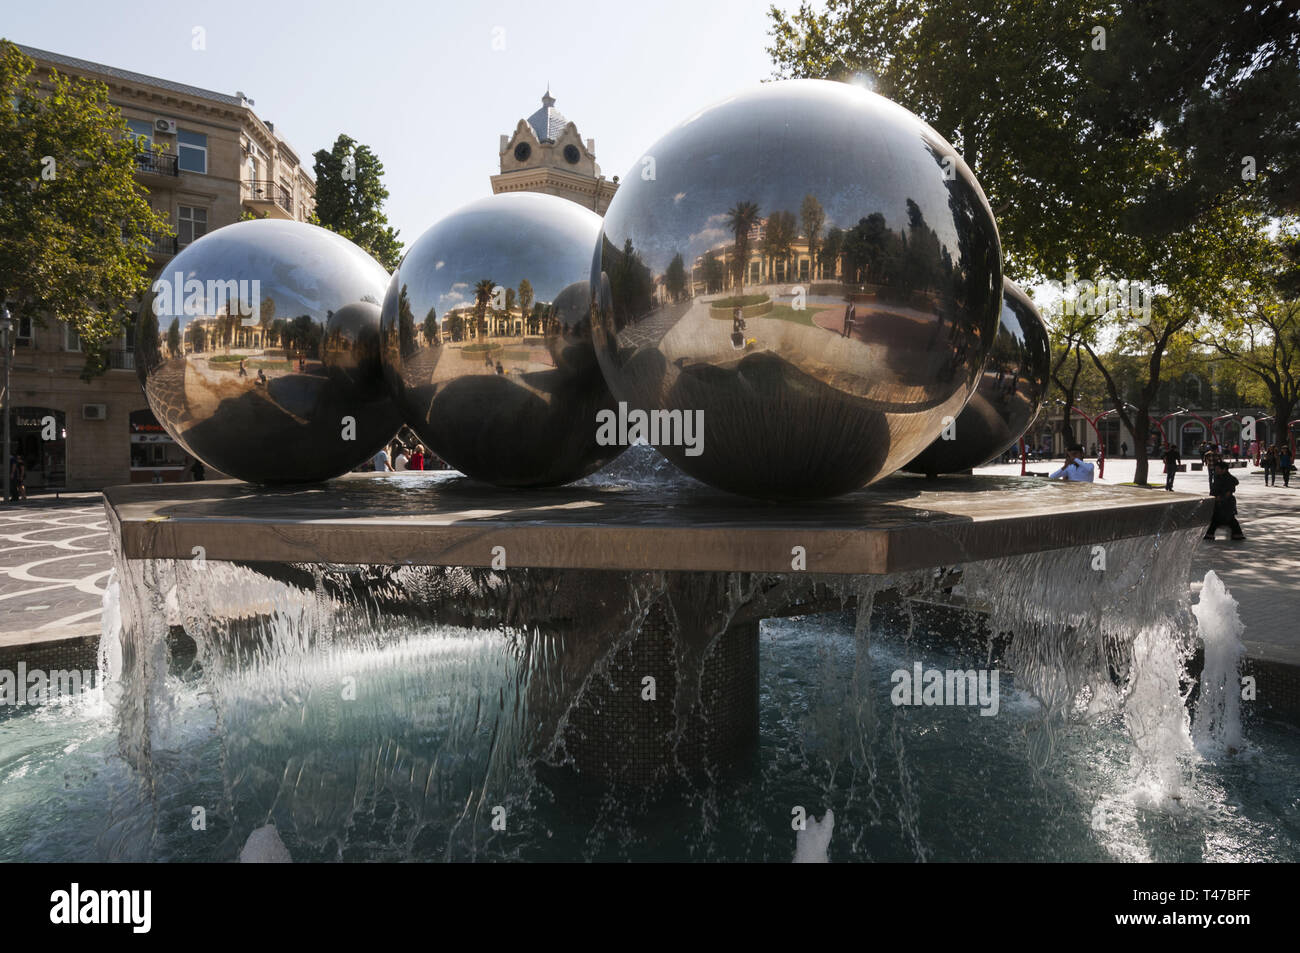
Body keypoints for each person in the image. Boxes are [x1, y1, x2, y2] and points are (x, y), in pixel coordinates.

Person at [1204, 460, 1245, 540]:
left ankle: (1237, 534)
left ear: (1224, 469)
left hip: (1226, 503)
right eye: (1215, 469)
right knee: (1220, 518)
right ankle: (1237, 534)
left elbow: (1228, 492)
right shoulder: (1218, 477)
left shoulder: (1229, 479)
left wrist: (1220, 499)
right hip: (1218, 501)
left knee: (1227, 518)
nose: (1216, 470)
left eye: (1218, 469)